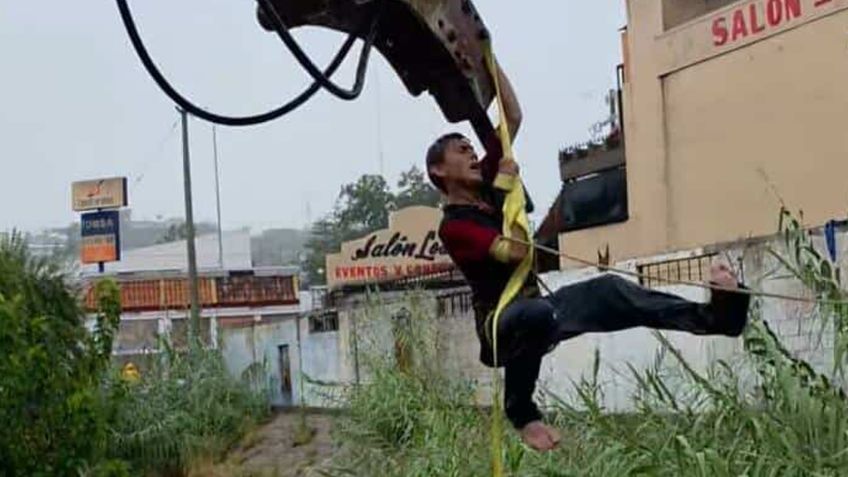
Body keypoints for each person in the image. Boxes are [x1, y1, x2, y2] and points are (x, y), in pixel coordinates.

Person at [425, 63, 751, 452]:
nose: (473, 153)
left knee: (612, 290)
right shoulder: (455, 226)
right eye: (462, 151)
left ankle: (720, 316)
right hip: (501, 326)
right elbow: (514, 252)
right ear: (439, 170)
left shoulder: (490, 188)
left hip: (538, 309)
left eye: (472, 147)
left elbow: (512, 116)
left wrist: (488, 61)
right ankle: (522, 412)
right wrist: (507, 183)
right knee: (536, 315)